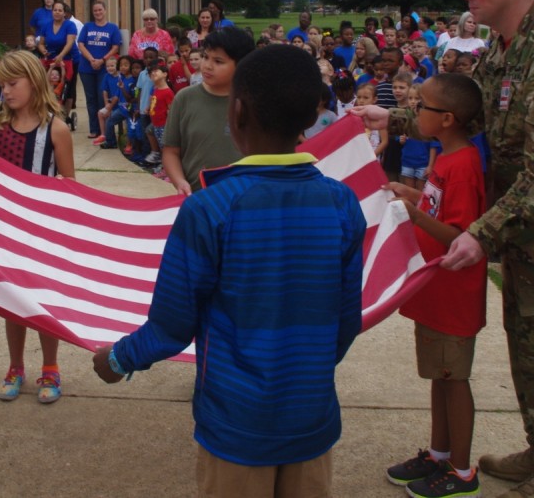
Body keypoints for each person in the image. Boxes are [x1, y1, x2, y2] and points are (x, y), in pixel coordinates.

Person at [354, 0, 534, 498]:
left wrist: (480, 233)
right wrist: (395, 118)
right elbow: (469, 118)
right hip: (522, 230)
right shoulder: (504, 49)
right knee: (528, 350)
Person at [92, 45, 366, 497]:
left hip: (236, 424)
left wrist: (118, 358)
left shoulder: (211, 207)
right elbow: (346, 320)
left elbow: (172, 324)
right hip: (310, 418)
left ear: (236, 113)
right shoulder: (342, 204)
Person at [384, 73, 487, 498]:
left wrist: (415, 216)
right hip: (434, 290)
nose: (414, 109)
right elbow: (435, 208)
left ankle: (462, 471)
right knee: (439, 376)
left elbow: (461, 235)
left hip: (453, 295)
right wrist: (412, 198)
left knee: (453, 379)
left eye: (421, 105)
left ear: (446, 119)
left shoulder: (463, 165)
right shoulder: (443, 158)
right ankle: (440, 454)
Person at [0, 51, 75, 403]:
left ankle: (50, 367)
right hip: (7, 228)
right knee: (14, 301)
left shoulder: (56, 127)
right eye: (2, 84)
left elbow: (69, 182)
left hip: (44, 231)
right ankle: (15, 365)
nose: (5, 91)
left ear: (34, 82)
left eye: (12, 83)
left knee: (43, 301)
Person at [160, 27, 255, 195]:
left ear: (241, 65)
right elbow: (170, 151)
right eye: (205, 57)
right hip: (198, 198)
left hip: (244, 199)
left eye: (218, 61)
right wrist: (179, 181)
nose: (207, 66)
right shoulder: (184, 98)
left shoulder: (254, 102)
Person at [76, 0, 121, 140]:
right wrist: (92, 60)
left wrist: (102, 60)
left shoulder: (112, 28)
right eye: (95, 10)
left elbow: (115, 47)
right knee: (91, 99)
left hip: (104, 69)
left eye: (100, 10)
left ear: (105, 10)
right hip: (86, 68)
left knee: (103, 99)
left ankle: (106, 131)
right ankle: (94, 129)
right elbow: (81, 44)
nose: (98, 13)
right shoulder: (87, 27)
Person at [40, 0, 79, 129]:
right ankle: (46, 111)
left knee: (67, 88)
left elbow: (70, 42)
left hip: (67, 59)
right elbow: (41, 43)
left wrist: (61, 56)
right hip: (50, 59)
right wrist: (42, 49)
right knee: (47, 84)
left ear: (64, 13)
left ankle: (65, 115)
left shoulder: (70, 25)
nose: (57, 12)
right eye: (55, 10)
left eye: (60, 10)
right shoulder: (46, 25)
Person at [142, 62, 174, 167]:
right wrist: (149, 108)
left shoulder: (167, 92)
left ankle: (167, 167)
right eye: (151, 72)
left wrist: (170, 126)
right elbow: (155, 102)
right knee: (151, 133)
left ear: (165, 74)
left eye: (156, 71)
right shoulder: (156, 89)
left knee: (164, 146)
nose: (152, 73)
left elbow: (171, 110)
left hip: (163, 124)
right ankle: (160, 159)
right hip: (156, 123)